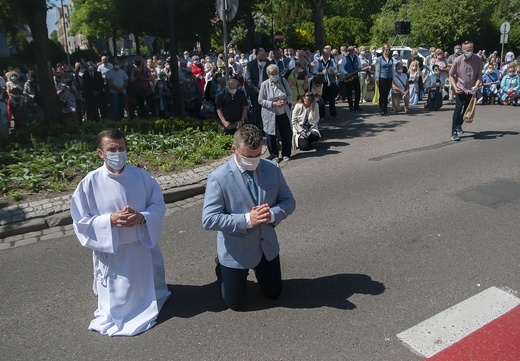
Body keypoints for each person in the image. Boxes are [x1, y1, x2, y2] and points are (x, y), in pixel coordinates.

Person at [70, 128, 170, 336]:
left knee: (150, 293)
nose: (118, 153)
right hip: (113, 253)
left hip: (140, 247)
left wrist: (142, 217)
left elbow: (158, 205)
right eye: (112, 149)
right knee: (117, 303)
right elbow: (80, 220)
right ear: (101, 153)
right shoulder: (90, 182)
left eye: (121, 148)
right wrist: (110, 220)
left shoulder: (141, 176)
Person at [202, 124, 296, 311]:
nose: (254, 160)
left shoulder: (272, 169)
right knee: (236, 304)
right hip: (236, 249)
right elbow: (209, 219)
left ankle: (259, 271)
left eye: (258, 155)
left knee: (274, 293)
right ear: (234, 149)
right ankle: (222, 268)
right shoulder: (218, 178)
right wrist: (246, 220)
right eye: (247, 156)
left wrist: (271, 215)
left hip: (265, 246)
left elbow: (288, 201)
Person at [258, 64, 293, 162]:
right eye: (272, 74)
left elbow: (290, 95)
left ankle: (286, 154)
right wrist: (273, 103)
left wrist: (285, 101)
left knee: (286, 133)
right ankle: (274, 155)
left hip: (283, 112)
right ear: (268, 74)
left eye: (276, 73)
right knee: (270, 134)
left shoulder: (283, 81)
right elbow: (260, 100)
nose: (275, 75)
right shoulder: (264, 84)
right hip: (270, 114)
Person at [448, 40, 482, 141]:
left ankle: (459, 124)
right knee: (458, 109)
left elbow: (479, 75)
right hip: (461, 87)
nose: (470, 51)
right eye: (467, 50)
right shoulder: (458, 60)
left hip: (471, 89)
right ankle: (454, 131)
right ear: (462, 50)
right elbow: (451, 75)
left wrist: (476, 86)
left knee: (467, 110)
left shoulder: (478, 59)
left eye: (471, 49)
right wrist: (455, 87)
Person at [313, 48, 338, 119]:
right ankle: (322, 115)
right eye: (326, 54)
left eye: (328, 54)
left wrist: (334, 72)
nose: (327, 56)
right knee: (322, 100)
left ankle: (333, 114)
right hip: (322, 84)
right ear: (322, 54)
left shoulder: (332, 62)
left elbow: (336, 72)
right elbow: (314, 73)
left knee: (332, 99)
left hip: (331, 82)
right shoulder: (318, 62)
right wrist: (321, 73)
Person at [340, 46, 363, 111]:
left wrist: (359, 69)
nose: (351, 51)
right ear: (348, 51)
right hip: (348, 77)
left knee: (358, 91)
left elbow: (359, 65)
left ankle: (356, 105)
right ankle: (350, 106)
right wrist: (346, 73)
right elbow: (341, 67)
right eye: (349, 50)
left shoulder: (357, 57)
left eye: (352, 50)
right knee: (349, 92)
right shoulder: (345, 58)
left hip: (355, 76)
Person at [375, 44, 394, 116]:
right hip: (382, 77)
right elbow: (377, 70)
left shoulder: (391, 59)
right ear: (383, 50)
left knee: (386, 94)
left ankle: (385, 109)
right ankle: (381, 109)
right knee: (382, 94)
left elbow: (392, 69)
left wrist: (393, 78)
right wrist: (377, 79)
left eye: (389, 49)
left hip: (389, 77)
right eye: (386, 49)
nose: (388, 51)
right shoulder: (379, 59)